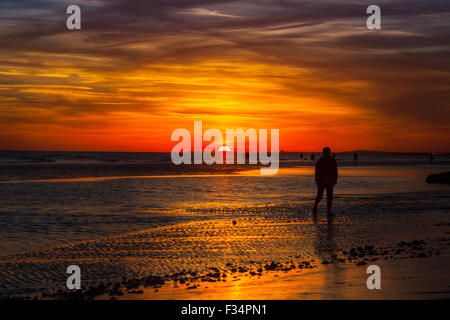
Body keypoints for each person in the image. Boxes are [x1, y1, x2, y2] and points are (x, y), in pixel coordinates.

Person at [313, 147, 338, 217]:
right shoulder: (321, 161)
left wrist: (335, 179)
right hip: (322, 181)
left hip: (328, 181)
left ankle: (328, 211)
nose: (326, 153)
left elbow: (335, 171)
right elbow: (317, 172)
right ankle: (315, 207)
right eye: (325, 152)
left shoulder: (331, 160)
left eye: (327, 152)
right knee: (321, 195)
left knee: (329, 196)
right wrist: (317, 179)